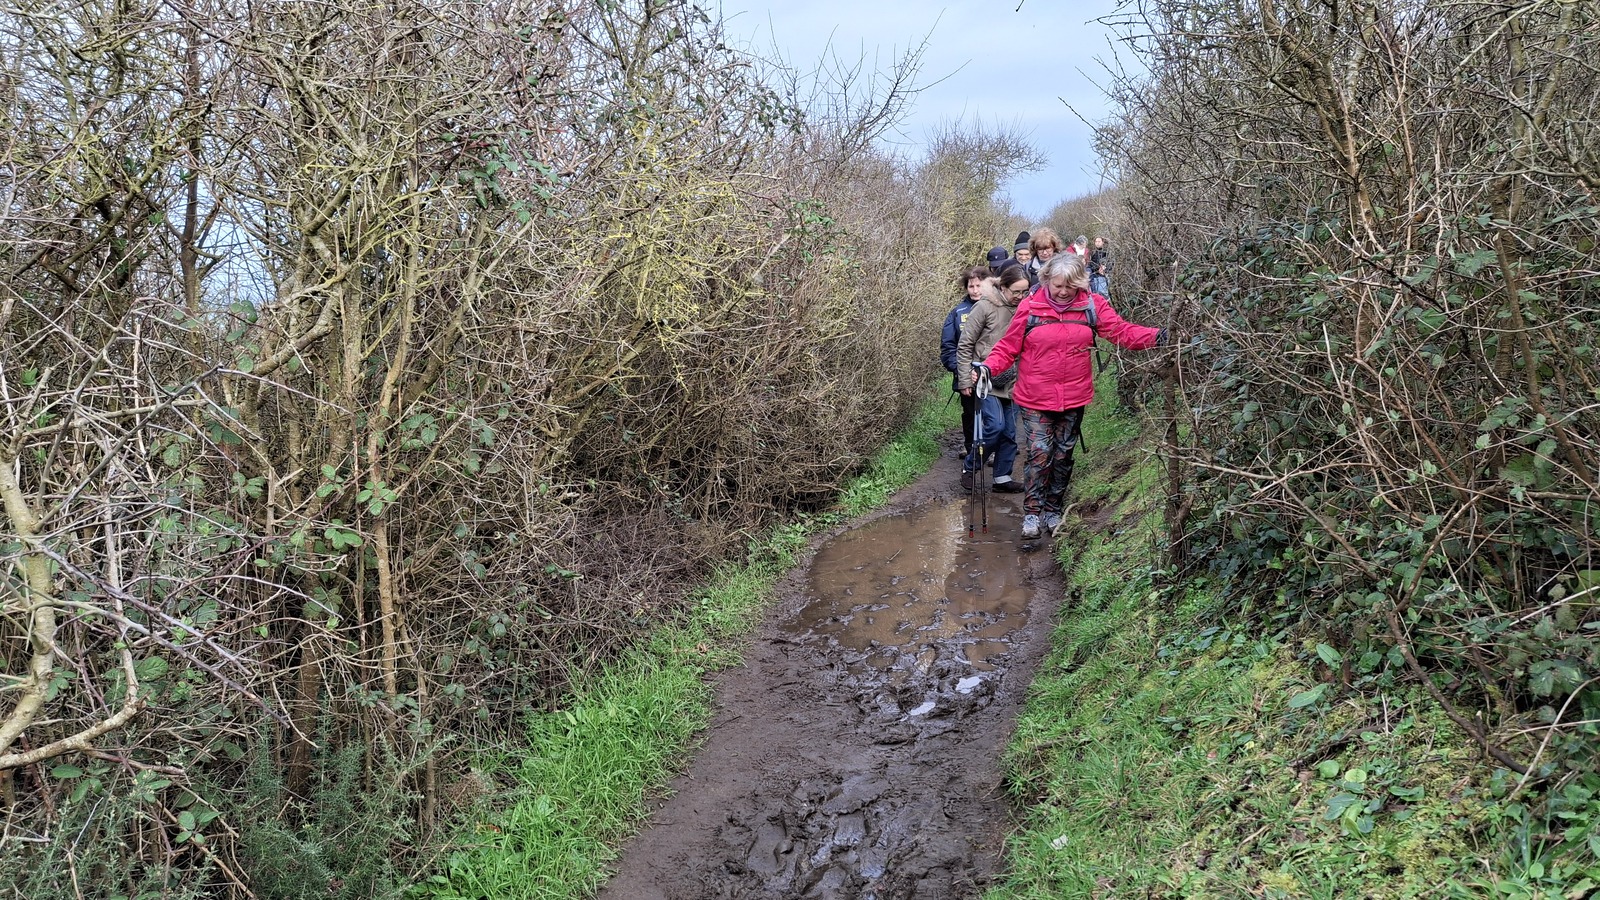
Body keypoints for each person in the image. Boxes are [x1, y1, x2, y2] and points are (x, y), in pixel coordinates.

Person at [977, 253, 1168, 540]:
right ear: (1046, 281)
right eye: (1058, 285)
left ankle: (1053, 510)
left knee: (1063, 455)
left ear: (1080, 283)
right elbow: (1008, 347)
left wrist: (1159, 336)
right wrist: (987, 368)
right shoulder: (1031, 307)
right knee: (1040, 453)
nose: (1064, 291)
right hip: (1035, 397)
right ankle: (1032, 513)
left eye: (1071, 285)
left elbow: (1122, 332)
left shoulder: (1092, 306)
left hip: (1074, 397)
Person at [956, 264, 1031, 493]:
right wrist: (965, 380)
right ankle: (971, 467)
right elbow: (965, 344)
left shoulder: (1027, 308)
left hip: (1013, 379)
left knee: (1009, 432)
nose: (1020, 296)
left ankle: (1002, 477)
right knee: (995, 427)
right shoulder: (984, 306)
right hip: (985, 378)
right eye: (1016, 292)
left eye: (1024, 292)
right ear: (1003, 287)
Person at [941, 267, 990, 459]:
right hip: (966, 374)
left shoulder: (997, 308)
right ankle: (971, 449)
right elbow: (948, 347)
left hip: (992, 373)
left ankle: (991, 449)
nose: (975, 290)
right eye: (971, 286)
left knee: (992, 415)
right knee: (970, 414)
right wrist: (961, 371)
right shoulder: (957, 312)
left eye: (979, 286)